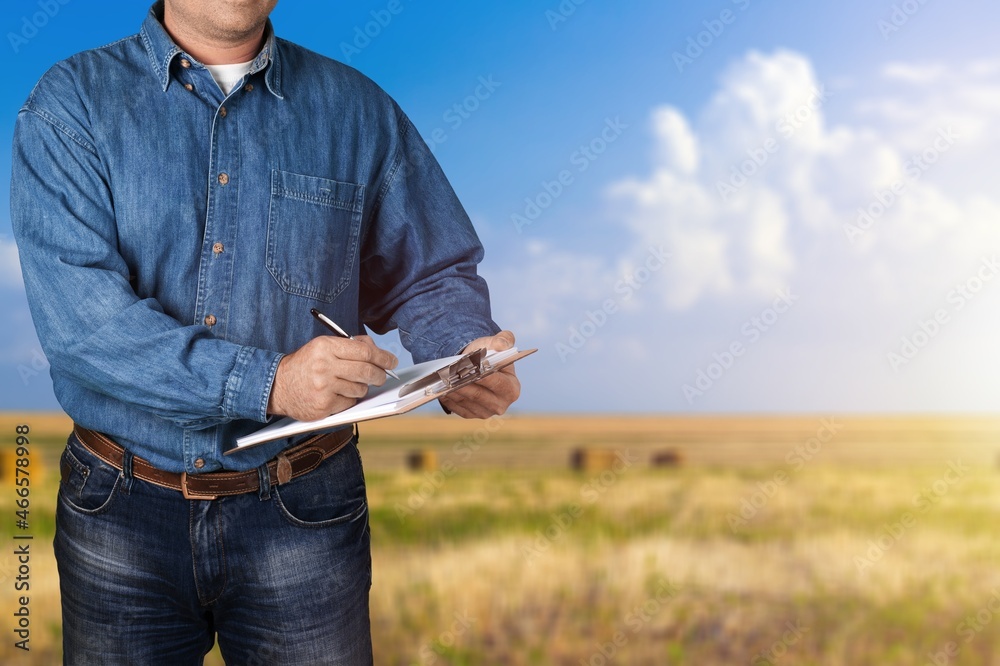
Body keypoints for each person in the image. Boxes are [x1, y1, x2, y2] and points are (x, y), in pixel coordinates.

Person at [10, 0, 520, 663]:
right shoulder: (70, 103)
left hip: (306, 507)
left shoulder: (358, 110)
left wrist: (461, 352)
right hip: (120, 511)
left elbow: (428, 271)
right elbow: (85, 327)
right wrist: (272, 383)